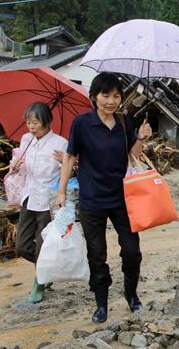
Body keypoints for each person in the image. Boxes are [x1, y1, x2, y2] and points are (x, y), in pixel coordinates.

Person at [57, 72, 152, 323]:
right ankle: (101, 304)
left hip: (123, 197)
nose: (111, 100)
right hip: (91, 200)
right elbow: (69, 157)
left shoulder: (123, 122)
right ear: (94, 97)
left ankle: (131, 295)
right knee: (97, 254)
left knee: (132, 251)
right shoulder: (81, 123)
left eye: (116, 95)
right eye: (105, 95)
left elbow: (132, 155)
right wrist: (61, 191)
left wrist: (140, 138)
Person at [12, 102, 68, 303]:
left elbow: (67, 172)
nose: (31, 126)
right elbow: (22, 168)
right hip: (29, 197)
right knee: (22, 245)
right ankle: (48, 270)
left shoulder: (60, 143)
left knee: (42, 246)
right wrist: (16, 166)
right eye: (28, 122)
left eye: (35, 122)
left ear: (46, 121)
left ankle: (40, 282)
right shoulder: (26, 140)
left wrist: (65, 162)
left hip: (48, 201)